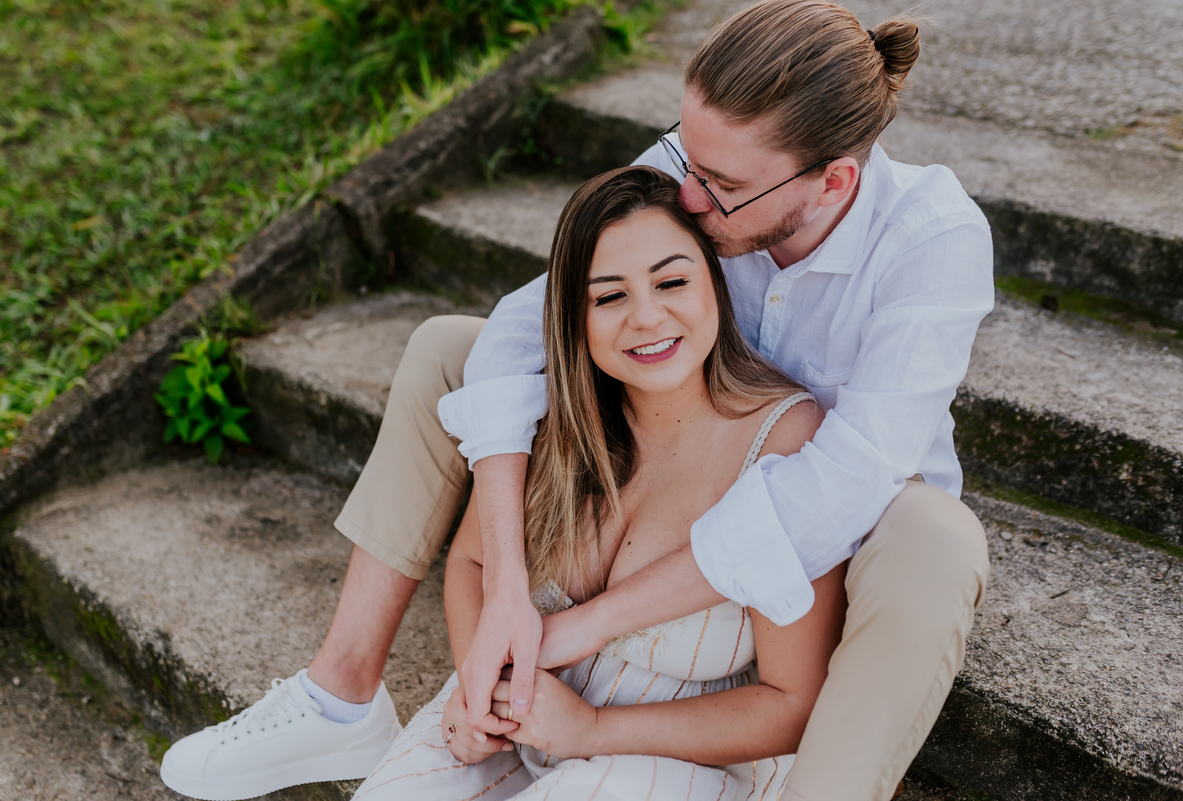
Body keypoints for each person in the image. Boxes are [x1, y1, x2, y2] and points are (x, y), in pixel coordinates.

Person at [160, 2, 993, 800]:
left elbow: (844, 480)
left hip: (846, 520)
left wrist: (579, 627)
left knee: (938, 539)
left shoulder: (931, 236)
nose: (688, 197)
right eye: (687, 159)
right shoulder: (708, 164)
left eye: (719, 186)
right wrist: (506, 591)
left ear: (833, 181)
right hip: (669, 431)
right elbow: (534, 318)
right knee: (451, 351)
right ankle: (340, 694)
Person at [352, 164, 845, 799]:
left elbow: (793, 703)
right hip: (523, 724)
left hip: (686, 762)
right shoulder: (550, 417)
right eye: (609, 297)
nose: (647, 316)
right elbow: (474, 561)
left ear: (716, 287)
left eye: (672, 282)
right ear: (573, 317)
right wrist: (479, 689)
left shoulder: (785, 440)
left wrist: (591, 729)